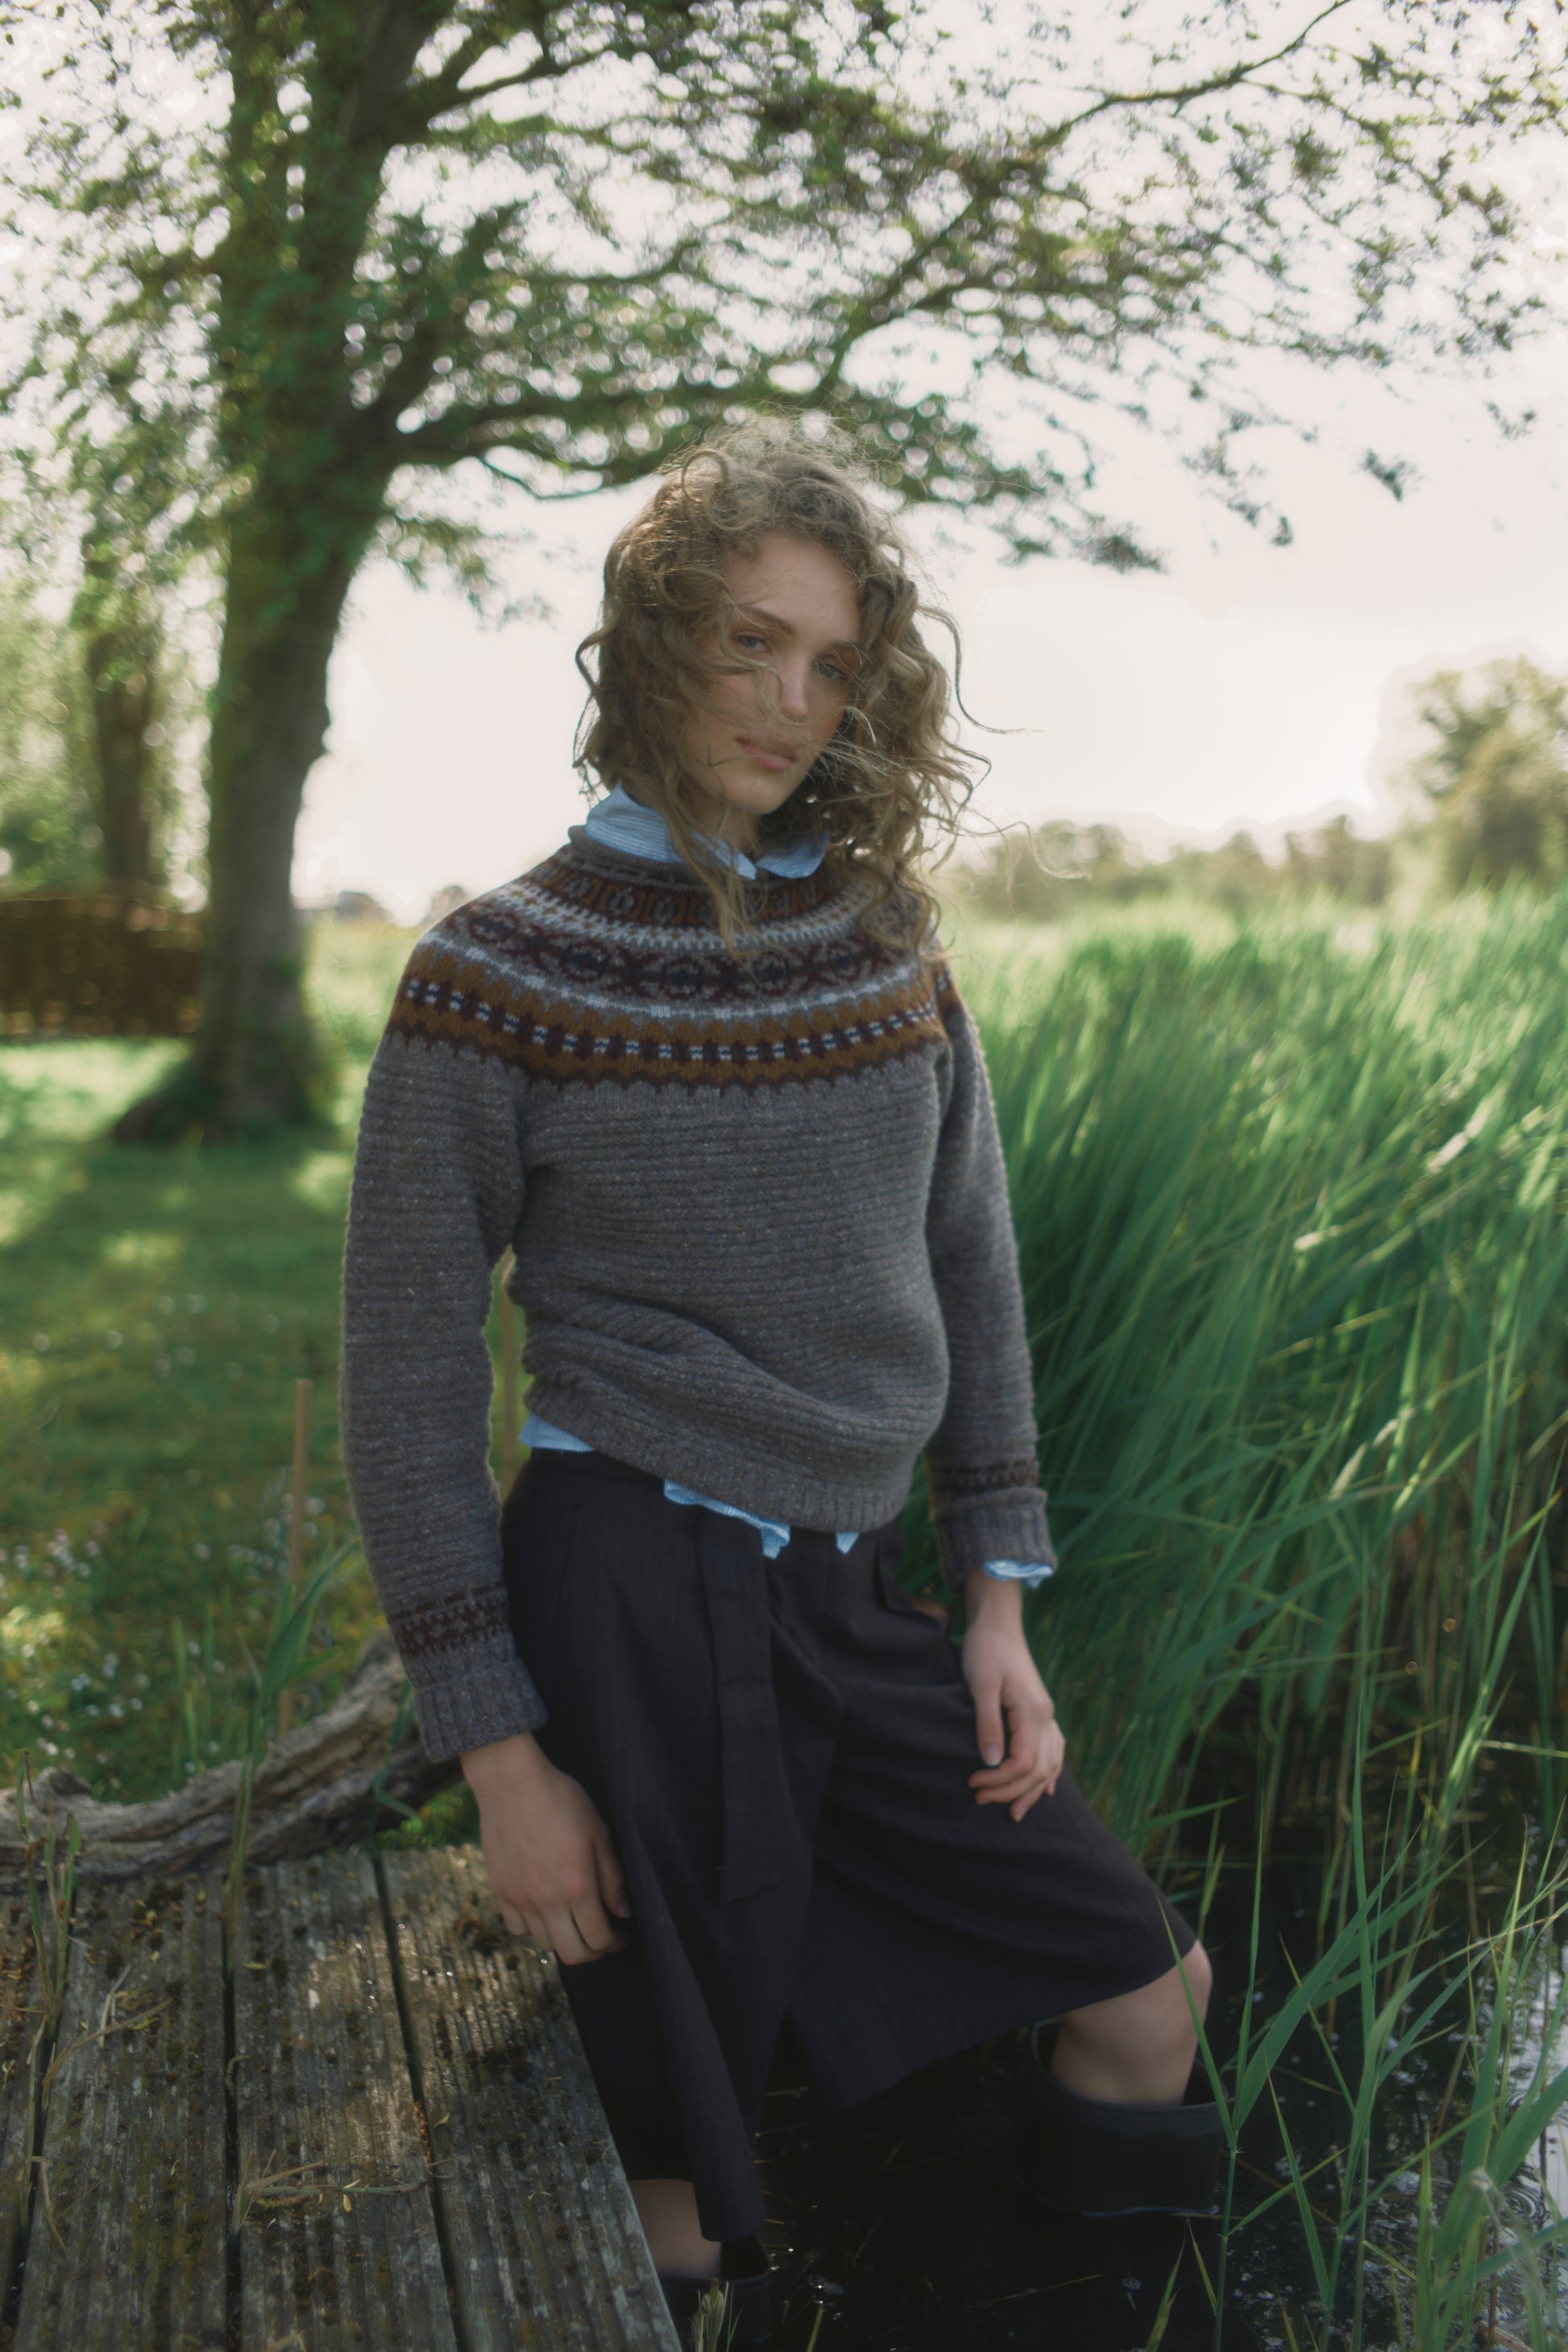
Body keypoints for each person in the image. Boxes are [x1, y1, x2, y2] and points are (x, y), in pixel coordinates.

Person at [340, 436, 1217, 2346]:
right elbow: (406, 1380)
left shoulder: (885, 945)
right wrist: (500, 1751)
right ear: (653, 643)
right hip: (629, 1591)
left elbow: (971, 1269)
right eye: (750, 645)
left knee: (1144, 1982)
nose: (790, 703)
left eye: (832, 666)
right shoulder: (491, 973)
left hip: (855, 1589)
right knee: (678, 2149)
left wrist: (997, 1598)